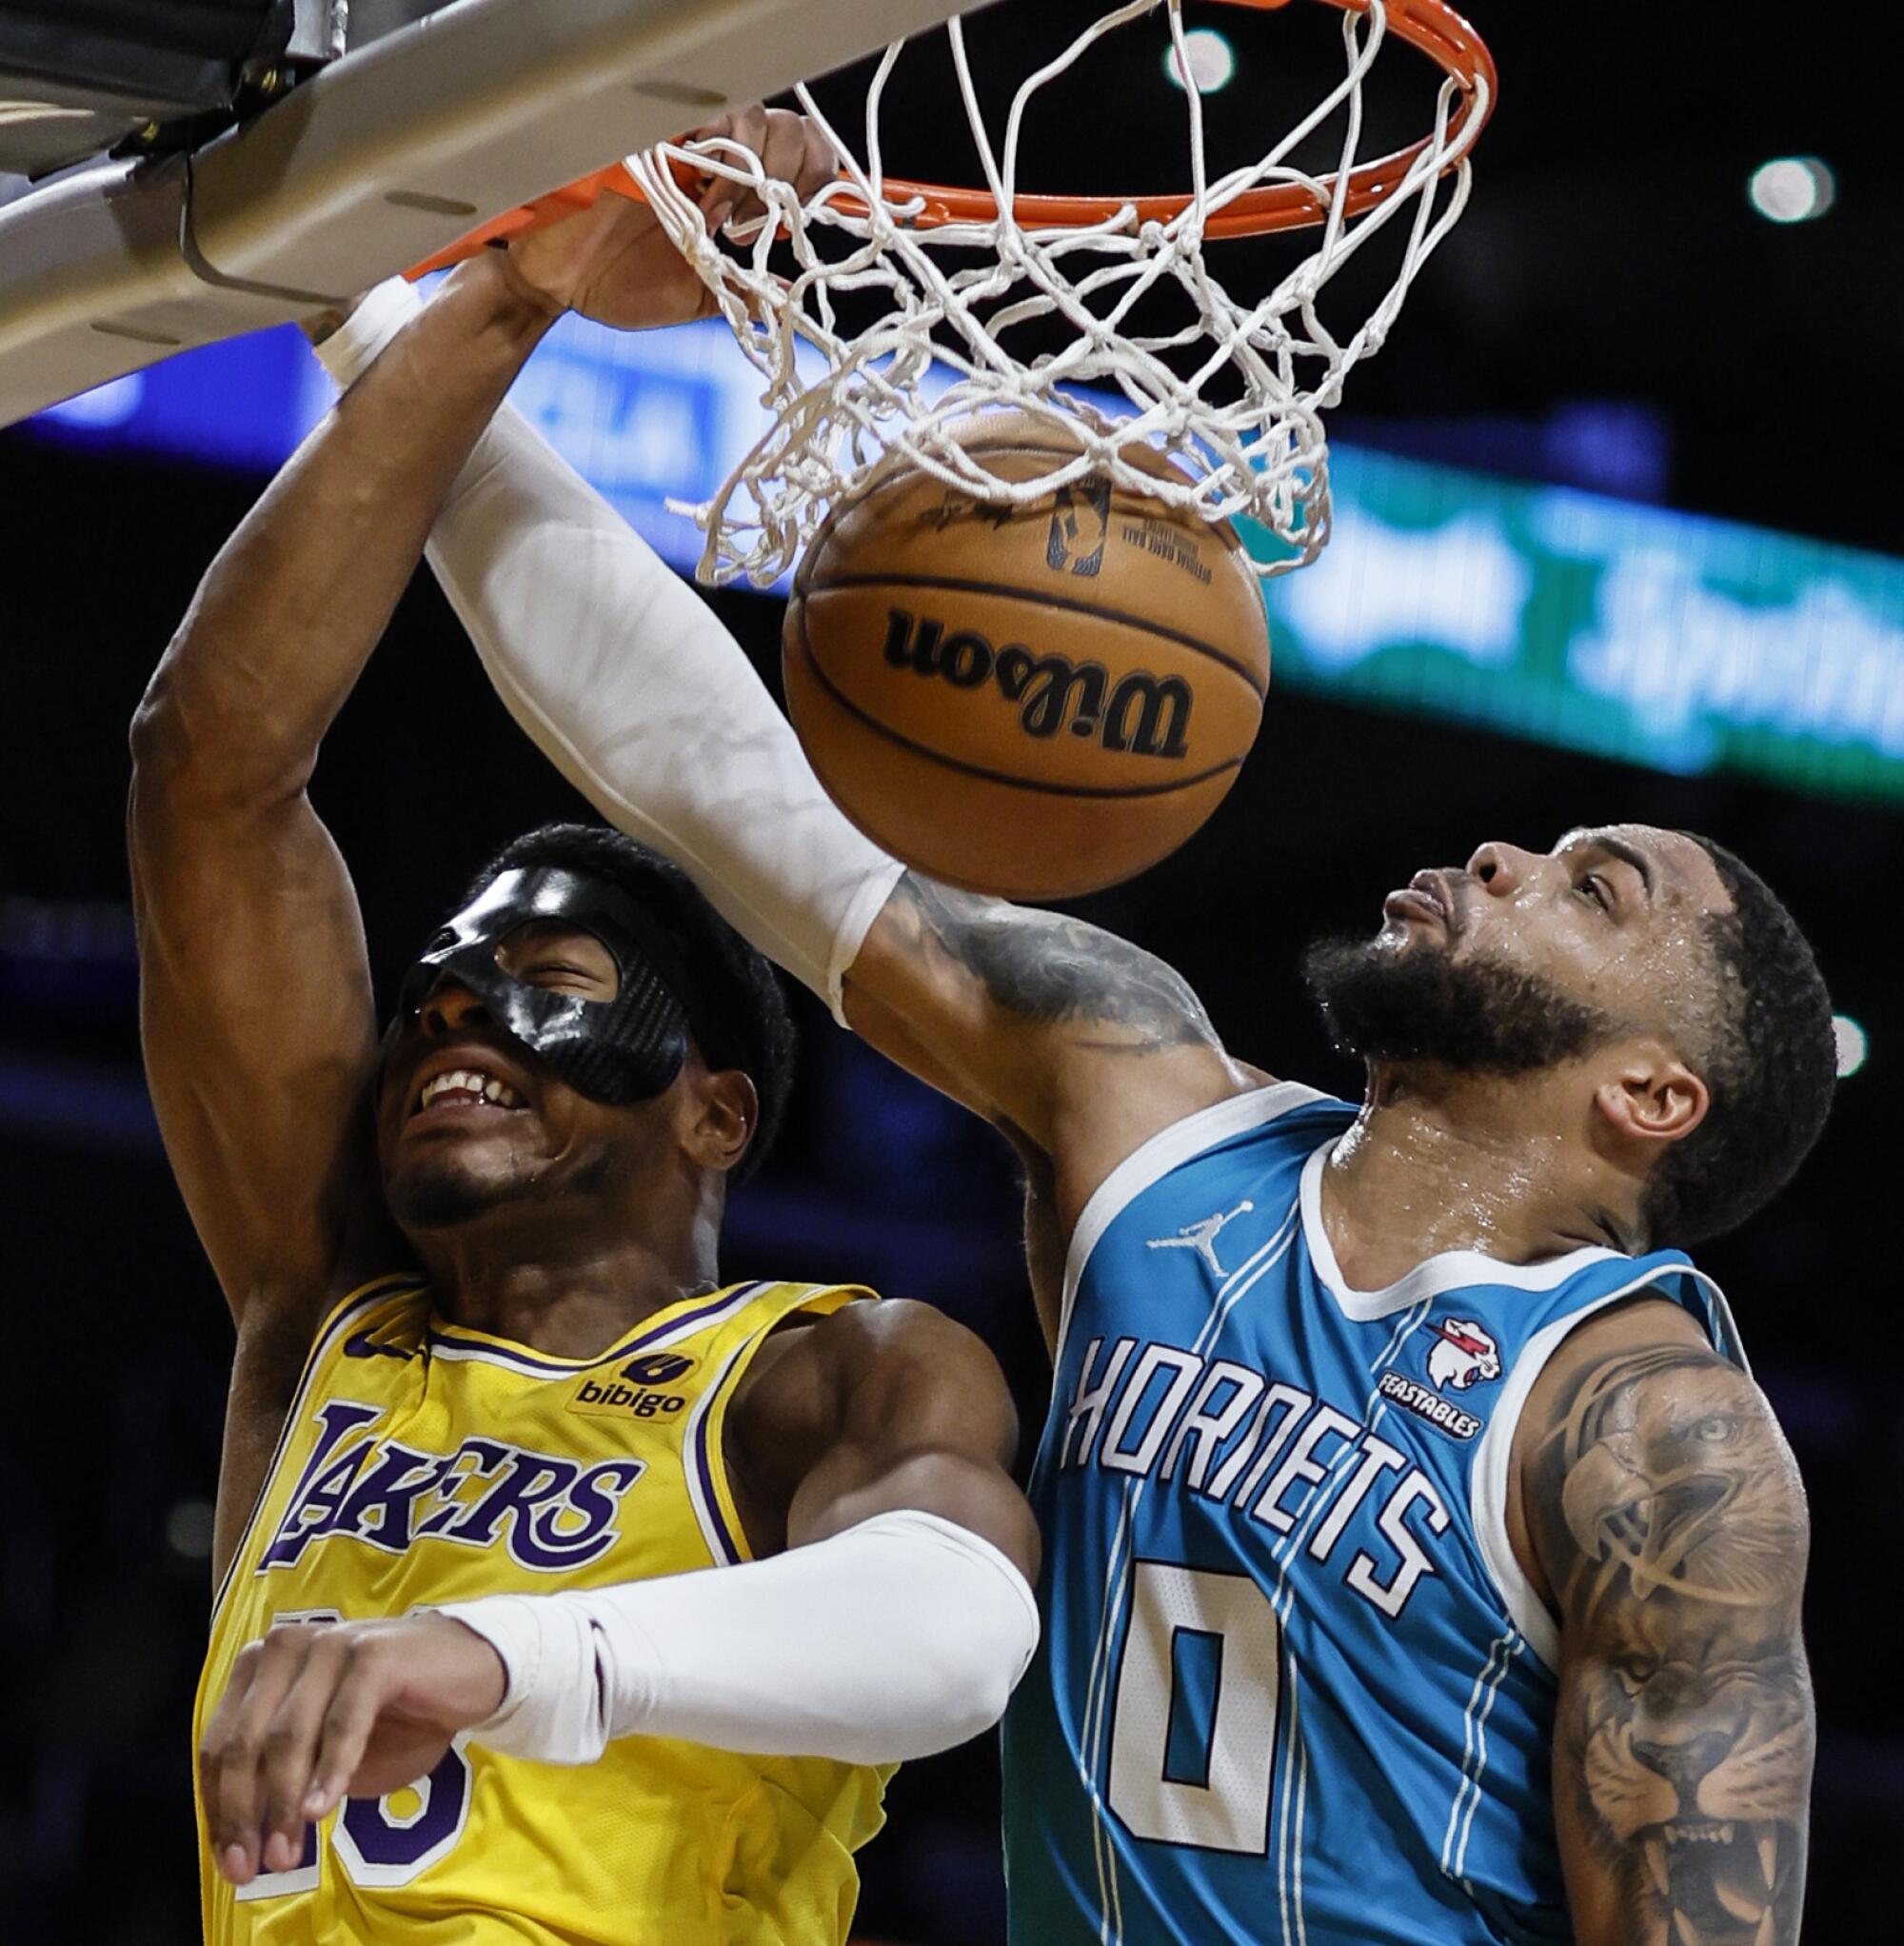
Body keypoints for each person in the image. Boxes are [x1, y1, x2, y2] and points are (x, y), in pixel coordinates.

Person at [317, 168, 1831, 1945]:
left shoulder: (1656, 1430)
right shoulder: (1146, 1113)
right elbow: (712, 774)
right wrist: (373, 309)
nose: (1506, 857)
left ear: (1653, 1096)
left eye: (1596, 889)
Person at [134, 109, 1041, 1946]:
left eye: (546, 995)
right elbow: (209, 772)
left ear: (716, 1114)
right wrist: (507, 292)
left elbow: (956, 1634)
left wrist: (504, 1653)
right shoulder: (324, 1318)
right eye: (438, 998)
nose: (458, 1022)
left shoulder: (826, 1375)